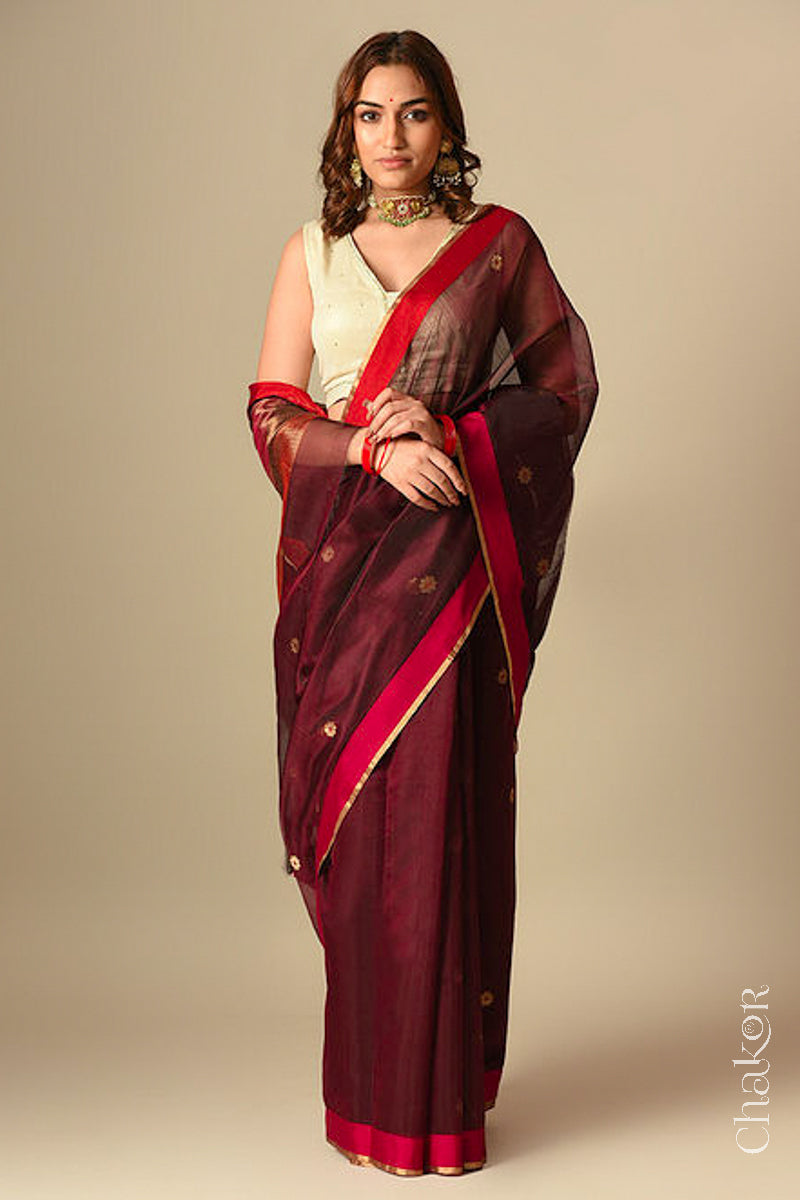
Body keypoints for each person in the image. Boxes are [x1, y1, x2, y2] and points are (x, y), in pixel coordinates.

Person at [246, 29, 598, 1177]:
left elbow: (566, 385)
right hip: (348, 567)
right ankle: (367, 1100)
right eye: (368, 115)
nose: (389, 138)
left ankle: (438, 1107)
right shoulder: (311, 251)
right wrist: (365, 451)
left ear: (444, 124)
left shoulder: (497, 248)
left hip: (448, 569)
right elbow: (269, 411)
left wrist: (448, 433)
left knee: (435, 827)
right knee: (355, 835)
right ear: (344, 129)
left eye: (411, 113)